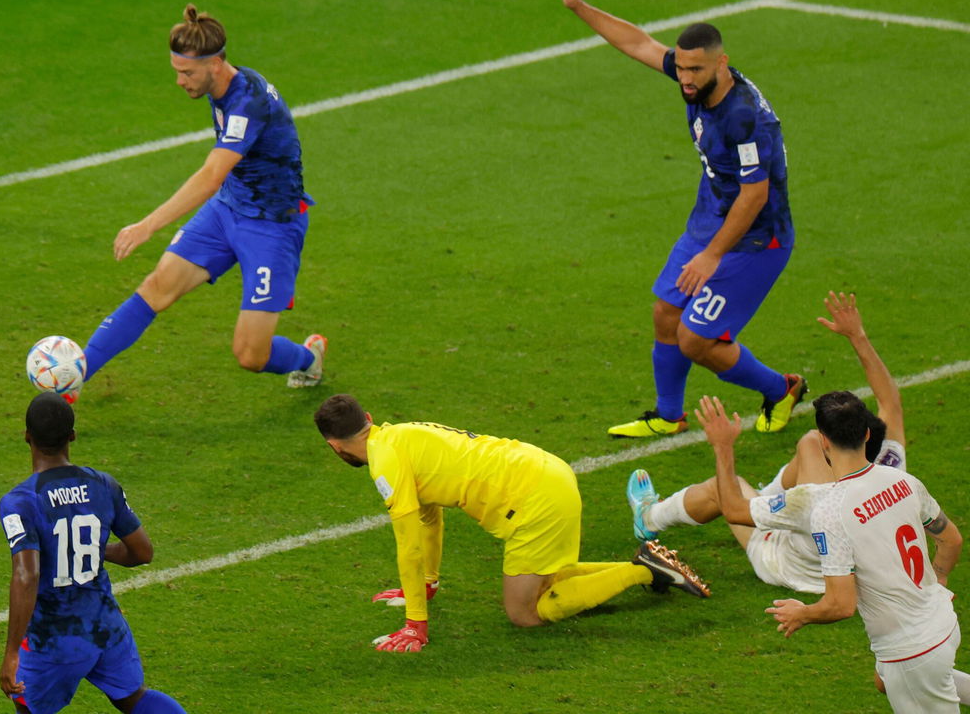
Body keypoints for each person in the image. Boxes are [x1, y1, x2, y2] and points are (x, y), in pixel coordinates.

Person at [545, 0, 804, 438]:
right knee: (666, 312)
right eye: (681, 68)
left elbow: (756, 194)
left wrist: (712, 256)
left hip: (756, 240)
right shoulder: (696, 80)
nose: (684, 78)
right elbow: (640, 43)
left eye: (694, 70)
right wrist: (579, 7)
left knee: (695, 338)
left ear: (722, 63)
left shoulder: (744, 118)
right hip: (710, 221)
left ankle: (780, 388)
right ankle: (669, 416)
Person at [313, 394, 710, 653]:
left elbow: (409, 543)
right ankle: (647, 562)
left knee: (525, 612)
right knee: (545, 579)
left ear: (334, 446)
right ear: (368, 418)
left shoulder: (384, 463)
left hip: (534, 501)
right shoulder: (400, 434)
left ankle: (639, 571)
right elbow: (427, 516)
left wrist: (415, 623)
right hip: (544, 469)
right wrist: (428, 584)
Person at [75, 4, 325, 401]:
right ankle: (74, 377)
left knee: (249, 354)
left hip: (272, 227)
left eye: (187, 72)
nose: (179, 81)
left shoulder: (249, 103)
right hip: (228, 210)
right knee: (157, 287)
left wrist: (147, 225)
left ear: (215, 64)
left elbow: (210, 177)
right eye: (176, 70)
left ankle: (307, 358)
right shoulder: (221, 84)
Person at [626, 292, 905, 595]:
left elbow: (733, 509)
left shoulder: (809, 501)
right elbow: (890, 402)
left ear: (830, 443)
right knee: (807, 443)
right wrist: (857, 336)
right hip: (865, 570)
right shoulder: (894, 470)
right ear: (867, 435)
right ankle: (769, 493)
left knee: (722, 488)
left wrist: (723, 447)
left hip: (791, 567)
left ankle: (648, 517)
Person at [726, 384, 964, 712]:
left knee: (910, 675)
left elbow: (841, 605)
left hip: (911, 650)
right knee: (892, 678)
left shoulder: (828, 510)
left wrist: (803, 613)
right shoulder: (904, 481)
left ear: (823, 440)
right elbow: (951, 540)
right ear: (868, 434)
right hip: (943, 622)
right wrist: (937, 582)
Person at [0, 392, 188, 714]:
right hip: (105, 626)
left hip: (53, 638)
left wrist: (12, 652)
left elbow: (27, 575)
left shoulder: (20, 501)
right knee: (134, 698)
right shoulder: (104, 484)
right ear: (72, 436)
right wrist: (100, 552)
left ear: (26, 435)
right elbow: (142, 552)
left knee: (28, 708)